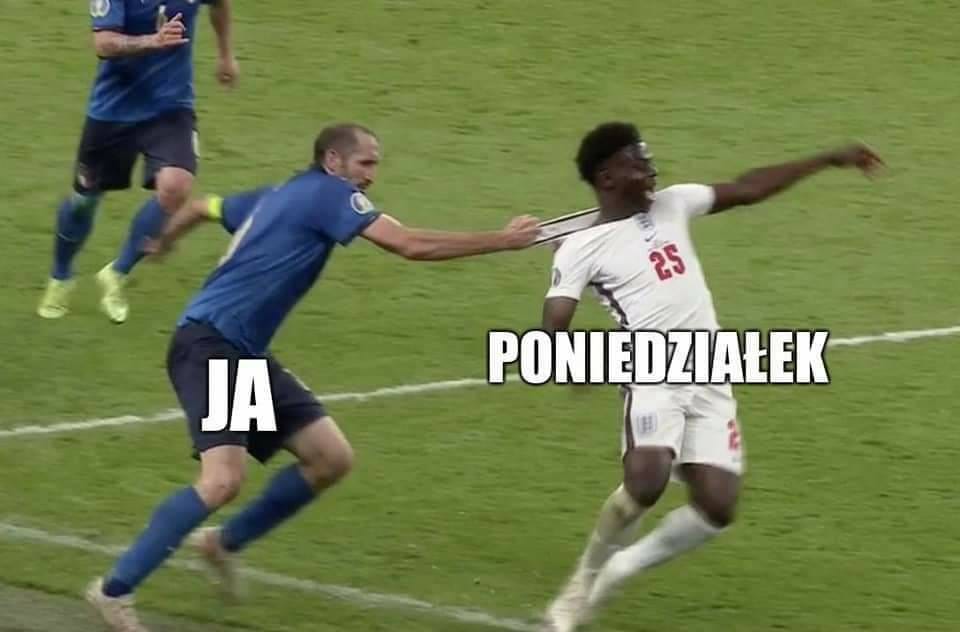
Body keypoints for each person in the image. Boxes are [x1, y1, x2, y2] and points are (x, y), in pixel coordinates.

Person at [84, 123, 540, 631]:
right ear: (333, 161)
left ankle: (221, 543)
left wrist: (166, 239)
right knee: (221, 481)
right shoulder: (329, 194)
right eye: (365, 163)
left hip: (240, 350)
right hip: (212, 345)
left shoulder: (278, 194)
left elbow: (202, 206)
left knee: (329, 458)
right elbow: (410, 244)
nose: (371, 176)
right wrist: (503, 240)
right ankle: (113, 590)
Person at [540, 122, 883, 631]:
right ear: (607, 177)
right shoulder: (581, 247)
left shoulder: (674, 203)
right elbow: (555, 318)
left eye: (648, 157)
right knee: (646, 482)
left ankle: (620, 568)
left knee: (718, 507)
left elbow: (748, 188)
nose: (650, 167)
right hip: (653, 373)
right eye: (637, 161)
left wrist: (827, 158)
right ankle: (580, 585)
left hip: (709, 371)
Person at [38, 0, 237, 324]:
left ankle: (117, 273)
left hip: (171, 107)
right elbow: (103, 43)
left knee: (176, 186)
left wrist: (226, 55)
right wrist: (153, 41)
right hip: (113, 111)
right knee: (83, 202)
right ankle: (61, 276)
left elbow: (220, 4)